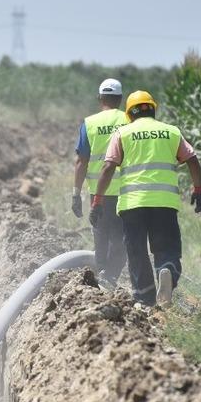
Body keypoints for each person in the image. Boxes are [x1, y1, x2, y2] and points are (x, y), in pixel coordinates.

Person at [90, 90, 201, 306]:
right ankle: (166, 269)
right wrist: (198, 189)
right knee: (166, 247)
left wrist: (97, 201)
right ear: (152, 109)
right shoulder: (171, 132)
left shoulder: (122, 134)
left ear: (129, 113)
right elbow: (192, 159)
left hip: (132, 204)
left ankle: (145, 298)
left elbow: (107, 168)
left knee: (136, 251)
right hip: (164, 203)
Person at [72, 78, 129, 287]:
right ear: (120, 99)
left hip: (99, 193)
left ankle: (103, 275)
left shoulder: (90, 123)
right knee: (122, 240)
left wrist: (76, 194)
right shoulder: (130, 120)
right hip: (126, 191)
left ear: (100, 98)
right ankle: (110, 276)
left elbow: (81, 161)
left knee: (101, 237)